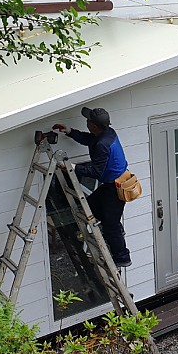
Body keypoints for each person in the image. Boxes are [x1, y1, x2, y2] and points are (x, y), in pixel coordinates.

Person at [53, 107, 132, 268]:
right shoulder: (107, 133)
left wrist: (73, 167)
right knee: (90, 207)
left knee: (110, 226)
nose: (86, 122)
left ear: (94, 126)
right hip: (112, 183)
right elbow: (89, 139)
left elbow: (96, 172)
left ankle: (122, 258)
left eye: (88, 120)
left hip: (116, 188)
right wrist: (70, 131)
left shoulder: (103, 143)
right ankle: (116, 228)